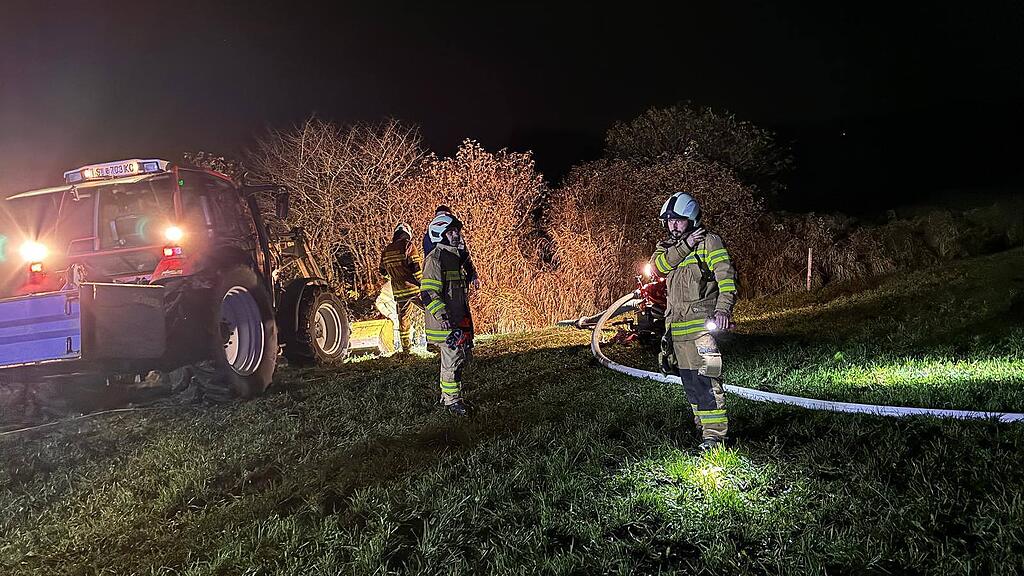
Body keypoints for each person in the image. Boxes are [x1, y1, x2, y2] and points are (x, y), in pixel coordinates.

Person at [650, 192, 738, 451]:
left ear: (692, 219)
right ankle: (703, 427)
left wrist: (723, 310)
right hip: (676, 331)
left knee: (707, 381)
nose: (673, 225)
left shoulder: (710, 243)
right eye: (669, 221)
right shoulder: (666, 248)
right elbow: (658, 268)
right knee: (689, 383)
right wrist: (685, 244)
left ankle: (715, 436)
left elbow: (727, 279)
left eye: (678, 220)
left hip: (701, 330)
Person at [420, 213, 475, 415]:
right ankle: (452, 402)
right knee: (451, 360)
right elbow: (428, 293)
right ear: (440, 234)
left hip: (457, 319)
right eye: (450, 232)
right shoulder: (435, 259)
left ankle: (449, 397)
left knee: (459, 358)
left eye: (456, 231)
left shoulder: (453, 257)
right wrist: (442, 317)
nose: (456, 235)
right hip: (445, 322)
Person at [378, 222, 423, 355]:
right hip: (414, 288)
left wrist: (394, 274)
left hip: (398, 291)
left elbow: (383, 272)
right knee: (431, 310)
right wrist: (423, 284)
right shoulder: (408, 245)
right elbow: (416, 268)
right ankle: (433, 342)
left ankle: (406, 349)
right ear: (408, 233)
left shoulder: (386, 250)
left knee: (403, 318)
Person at [422, 205, 480, 291]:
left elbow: (465, 256)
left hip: (456, 282)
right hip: (440, 280)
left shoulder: (456, 236)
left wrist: (473, 275)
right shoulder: (430, 237)